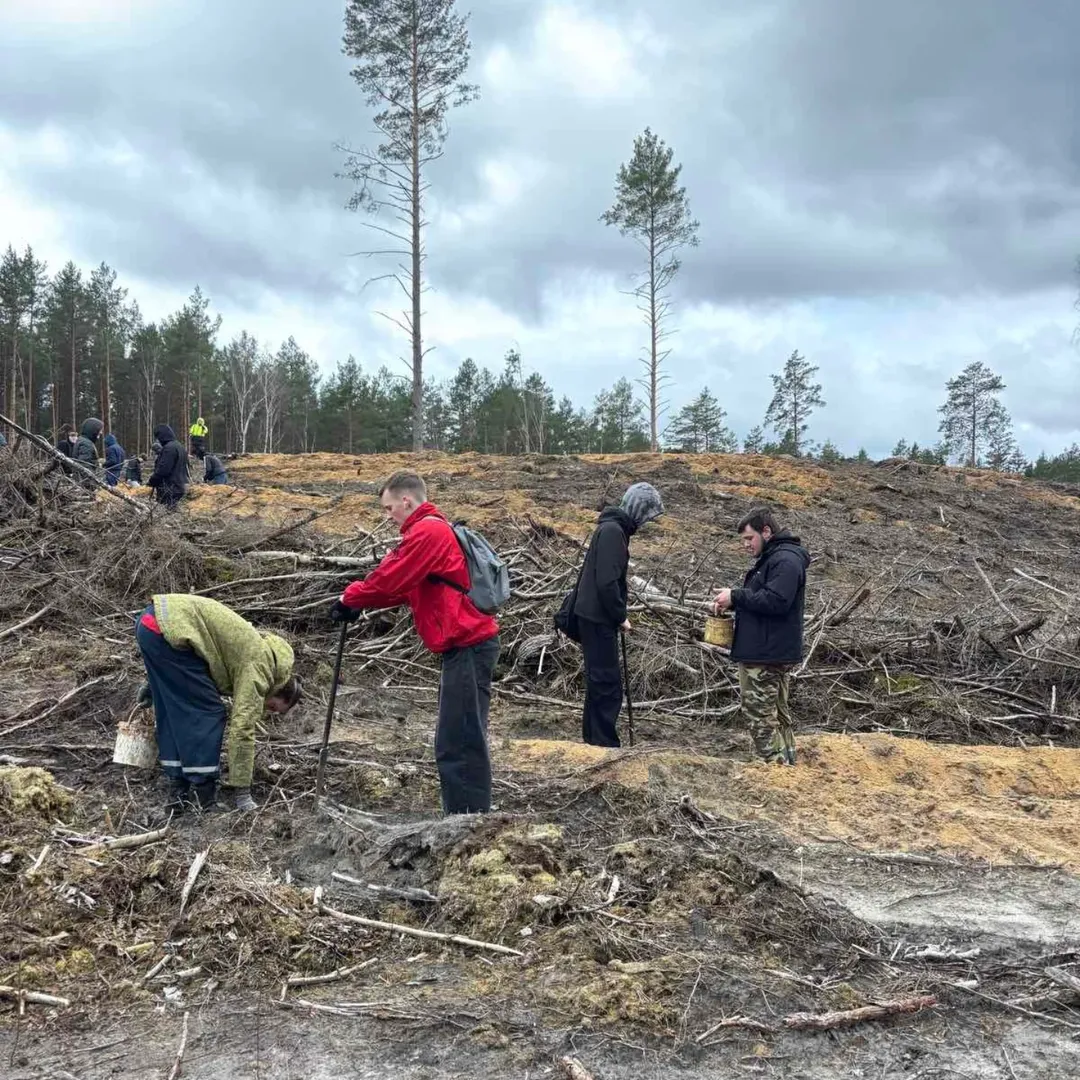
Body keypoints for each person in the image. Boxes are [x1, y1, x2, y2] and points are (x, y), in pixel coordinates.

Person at [330, 470, 500, 815]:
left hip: (468, 644)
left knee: (458, 738)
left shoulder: (428, 532)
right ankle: (467, 813)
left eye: (390, 508)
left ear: (406, 501)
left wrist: (351, 598)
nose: (388, 516)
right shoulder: (428, 531)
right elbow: (407, 586)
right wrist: (360, 602)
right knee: (460, 732)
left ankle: (466, 819)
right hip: (466, 645)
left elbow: (391, 579)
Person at [135, 594, 301, 812]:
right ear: (279, 691)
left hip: (151, 624)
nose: (265, 709)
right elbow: (242, 728)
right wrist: (242, 792)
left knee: (172, 708)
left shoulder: (253, 651)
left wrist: (156, 684)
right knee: (209, 712)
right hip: (167, 631)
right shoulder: (260, 669)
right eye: (271, 707)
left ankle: (178, 792)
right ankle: (206, 797)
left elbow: (198, 651)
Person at [712, 507, 810, 766]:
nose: (745, 545)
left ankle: (774, 767)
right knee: (776, 711)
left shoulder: (785, 560)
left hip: (766, 653)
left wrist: (737, 596)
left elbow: (777, 601)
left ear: (766, 531)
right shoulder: (775, 558)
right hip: (767, 649)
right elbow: (766, 599)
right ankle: (787, 764)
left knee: (760, 713)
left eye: (749, 538)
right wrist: (734, 601)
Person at [573, 482, 664, 747]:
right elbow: (606, 582)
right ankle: (603, 744)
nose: (646, 522)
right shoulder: (613, 531)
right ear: (637, 509)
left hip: (594, 617)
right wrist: (620, 615)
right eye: (646, 515)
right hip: (598, 619)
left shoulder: (612, 528)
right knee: (607, 685)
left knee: (600, 681)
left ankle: (593, 740)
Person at [146, 424, 188, 510]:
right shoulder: (180, 447)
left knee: (166, 512)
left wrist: (152, 481)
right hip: (179, 486)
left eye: (158, 437)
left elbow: (163, 469)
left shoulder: (169, 448)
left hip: (169, 488)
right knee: (173, 511)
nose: (158, 440)